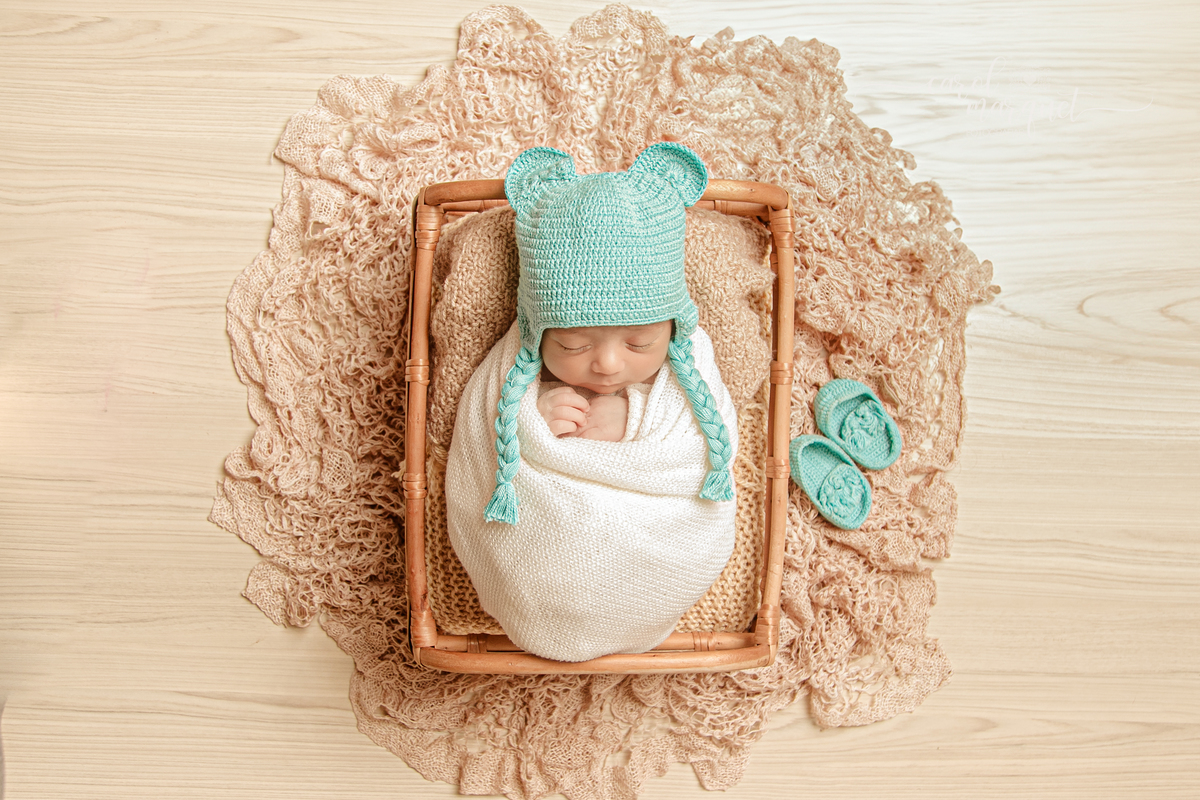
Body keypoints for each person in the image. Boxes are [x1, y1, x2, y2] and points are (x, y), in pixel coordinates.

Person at [444, 142, 739, 662]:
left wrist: (634, 416)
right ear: (537, 335)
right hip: (544, 552)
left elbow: (706, 449)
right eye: (574, 345)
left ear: (672, 330)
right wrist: (533, 419)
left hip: (652, 544)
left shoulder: (687, 368)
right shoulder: (515, 368)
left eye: (638, 344)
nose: (606, 364)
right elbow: (483, 443)